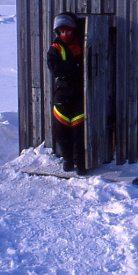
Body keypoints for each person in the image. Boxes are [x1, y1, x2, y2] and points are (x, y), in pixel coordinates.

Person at [46, 12, 86, 174]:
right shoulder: (55, 49)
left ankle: (80, 164)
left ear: (73, 30)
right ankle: (68, 161)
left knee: (79, 133)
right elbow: (56, 70)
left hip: (79, 96)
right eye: (62, 31)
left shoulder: (82, 44)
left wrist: (71, 67)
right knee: (62, 132)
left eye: (68, 30)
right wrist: (75, 65)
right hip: (62, 97)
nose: (65, 34)